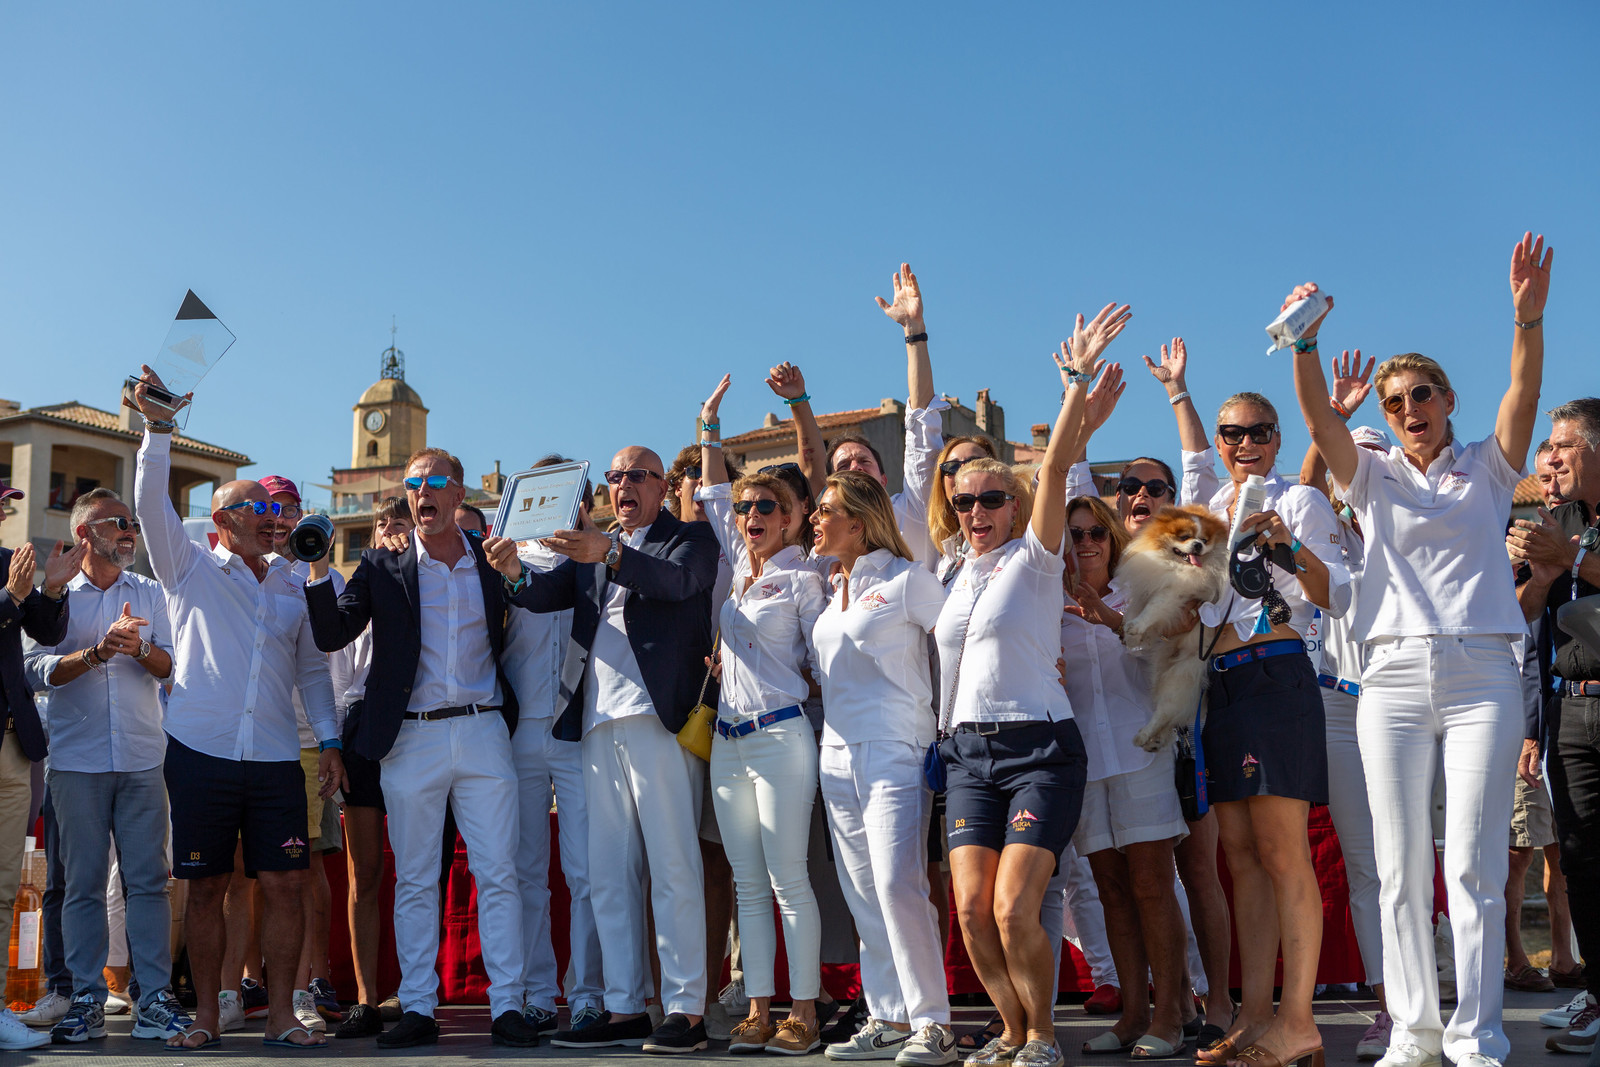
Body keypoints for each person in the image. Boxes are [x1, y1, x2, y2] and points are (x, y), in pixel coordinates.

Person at [1290, 231, 1553, 1067]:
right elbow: (1318, 421)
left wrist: (1527, 319)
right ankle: (1413, 1031)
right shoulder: (1370, 473)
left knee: (1472, 864)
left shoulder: (1489, 465)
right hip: (1393, 674)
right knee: (1402, 868)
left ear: (1448, 400)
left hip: (1483, 672)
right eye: (1397, 399)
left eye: (1424, 393)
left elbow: (1524, 387)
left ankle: (1476, 1035)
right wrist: (1304, 341)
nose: (1410, 408)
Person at [128, 370, 346, 1051]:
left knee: (285, 882)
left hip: (279, 757)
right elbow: (147, 503)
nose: (274, 519)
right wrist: (158, 429)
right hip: (198, 752)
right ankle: (207, 1018)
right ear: (223, 521)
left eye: (274, 510)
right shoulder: (186, 566)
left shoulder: (294, 580)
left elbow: (312, 670)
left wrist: (331, 741)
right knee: (205, 886)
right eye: (257, 509)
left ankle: (281, 1016)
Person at [303, 448, 539, 1049]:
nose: (421, 493)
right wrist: (318, 572)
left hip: (484, 730)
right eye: (412, 484)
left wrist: (515, 572)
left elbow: (538, 601)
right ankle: (416, 1007)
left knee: (499, 874)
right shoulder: (383, 567)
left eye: (433, 483)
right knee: (413, 879)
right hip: (410, 736)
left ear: (458, 495)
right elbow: (334, 633)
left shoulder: (491, 562)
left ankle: (509, 1007)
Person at [487, 446, 719, 1054]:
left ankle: (686, 1009)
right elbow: (539, 594)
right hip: (594, 725)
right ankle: (624, 1007)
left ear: (663, 486)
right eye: (614, 477)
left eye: (636, 476)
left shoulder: (690, 538)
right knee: (610, 875)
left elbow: (679, 583)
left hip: (659, 723)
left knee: (673, 868)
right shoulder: (596, 546)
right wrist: (511, 570)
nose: (622, 486)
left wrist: (611, 553)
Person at [937, 306, 1123, 1067]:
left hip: (1040, 746)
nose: (974, 511)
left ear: (1012, 506)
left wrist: (1075, 383)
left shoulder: (1037, 561)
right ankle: (1012, 1029)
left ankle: (1043, 1034)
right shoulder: (951, 574)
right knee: (973, 912)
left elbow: (1053, 468)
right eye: (962, 503)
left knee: (1016, 906)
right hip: (965, 755)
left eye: (988, 499)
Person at [1156, 342, 1350, 1067]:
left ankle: (1299, 1021)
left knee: (1280, 851)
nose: (1241, 444)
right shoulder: (1204, 515)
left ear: (1277, 441)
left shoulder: (1296, 497)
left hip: (1278, 676)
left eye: (1256, 432)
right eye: (1230, 432)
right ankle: (1257, 1013)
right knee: (1239, 858)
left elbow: (1335, 592)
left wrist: (1288, 543)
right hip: (1223, 687)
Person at [17, 488, 185, 1044]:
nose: (130, 530)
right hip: (78, 761)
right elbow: (36, 670)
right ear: (87, 533)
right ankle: (84, 998)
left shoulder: (151, 593)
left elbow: (171, 667)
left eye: (132, 522)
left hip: (142, 757)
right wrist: (95, 654)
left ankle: (155, 998)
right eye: (120, 523)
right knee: (82, 885)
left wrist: (136, 650)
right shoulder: (57, 597)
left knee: (148, 883)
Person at [695, 376, 829, 1054]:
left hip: (781, 733)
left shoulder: (807, 576)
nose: (751, 511)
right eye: (748, 503)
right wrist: (708, 428)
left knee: (788, 878)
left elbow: (824, 655)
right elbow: (714, 494)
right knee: (749, 885)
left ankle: (801, 1011)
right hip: (727, 739)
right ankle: (757, 1008)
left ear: (795, 516)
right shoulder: (739, 570)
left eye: (768, 504)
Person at [808, 470, 950, 1066]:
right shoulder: (829, 587)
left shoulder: (908, 579)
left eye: (825, 510)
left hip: (896, 748)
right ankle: (888, 1016)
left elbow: (958, 644)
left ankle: (932, 1023)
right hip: (835, 755)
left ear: (858, 523)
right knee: (863, 892)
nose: (814, 518)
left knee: (898, 885)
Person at [1058, 495, 1191, 1060]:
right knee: (1110, 890)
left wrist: (1106, 617)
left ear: (1112, 540)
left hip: (1142, 752)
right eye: (1075, 535)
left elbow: (1169, 650)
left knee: (1152, 886)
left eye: (1096, 534)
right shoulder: (1044, 601)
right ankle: (1134, 1013)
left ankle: (1172, 1015)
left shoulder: (1141, 592)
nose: (1086, 543)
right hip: (1087, 763)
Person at [1135, 344, 1238, 1039]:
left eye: (1155, 488)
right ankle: (1159, 1001)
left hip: (1189, 730)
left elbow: (1201, 467)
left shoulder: (1196, 548)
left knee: (1200, 868)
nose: (1140, 497)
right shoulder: (1107, 555)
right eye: (1130, 489)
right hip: (1124, 736)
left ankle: (1221, 1003)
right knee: (1143, 881)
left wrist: (1178, 393)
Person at [500, 456, 605, 1037]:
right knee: (523, 873)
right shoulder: (504, 562)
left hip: (579, 734)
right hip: (517, 736)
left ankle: (587, 993)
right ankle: (538, 993)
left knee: (587, 871)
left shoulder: (596, 562)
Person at [1509, 396, 1600, 1058]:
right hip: (1568, 707)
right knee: (1582, 859)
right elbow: (1521, 617)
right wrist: (1540, 576)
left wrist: (1567, 556)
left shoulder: (1565, 535)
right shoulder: (1555, 523)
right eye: (1548, 446)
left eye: (1564, 443)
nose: (1552, 455)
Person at [259, 475, 353, 1035]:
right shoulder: (246, 572)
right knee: (248, 875)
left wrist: (331, 739)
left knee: (309, 868)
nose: (281, 520)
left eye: (289, 509)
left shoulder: (326, 574)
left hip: (311, 743)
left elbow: (330, 664)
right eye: (270, 509)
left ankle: (310, 981)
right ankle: (247, 982)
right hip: (255, 747)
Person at [776, 263, 945, 564]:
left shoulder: (911, 510)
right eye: (844, 463)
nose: (854, 465)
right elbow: (813, 460)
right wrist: (798, 401)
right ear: (829, 486)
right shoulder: (822, 539)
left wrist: (913, 330)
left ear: (883, 478)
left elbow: (921, 419)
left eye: (863, 460)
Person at [332, 496, 412, 1038]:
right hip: (361, 729)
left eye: (397, 522)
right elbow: (336, 676)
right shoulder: (353, 589)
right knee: (365, 874)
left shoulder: (427, 583)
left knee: (416, 872)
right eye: (381, 523)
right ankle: (364, 995)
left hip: (417, 726)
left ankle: (413, 991)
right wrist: (334, 745)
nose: (386, 530)